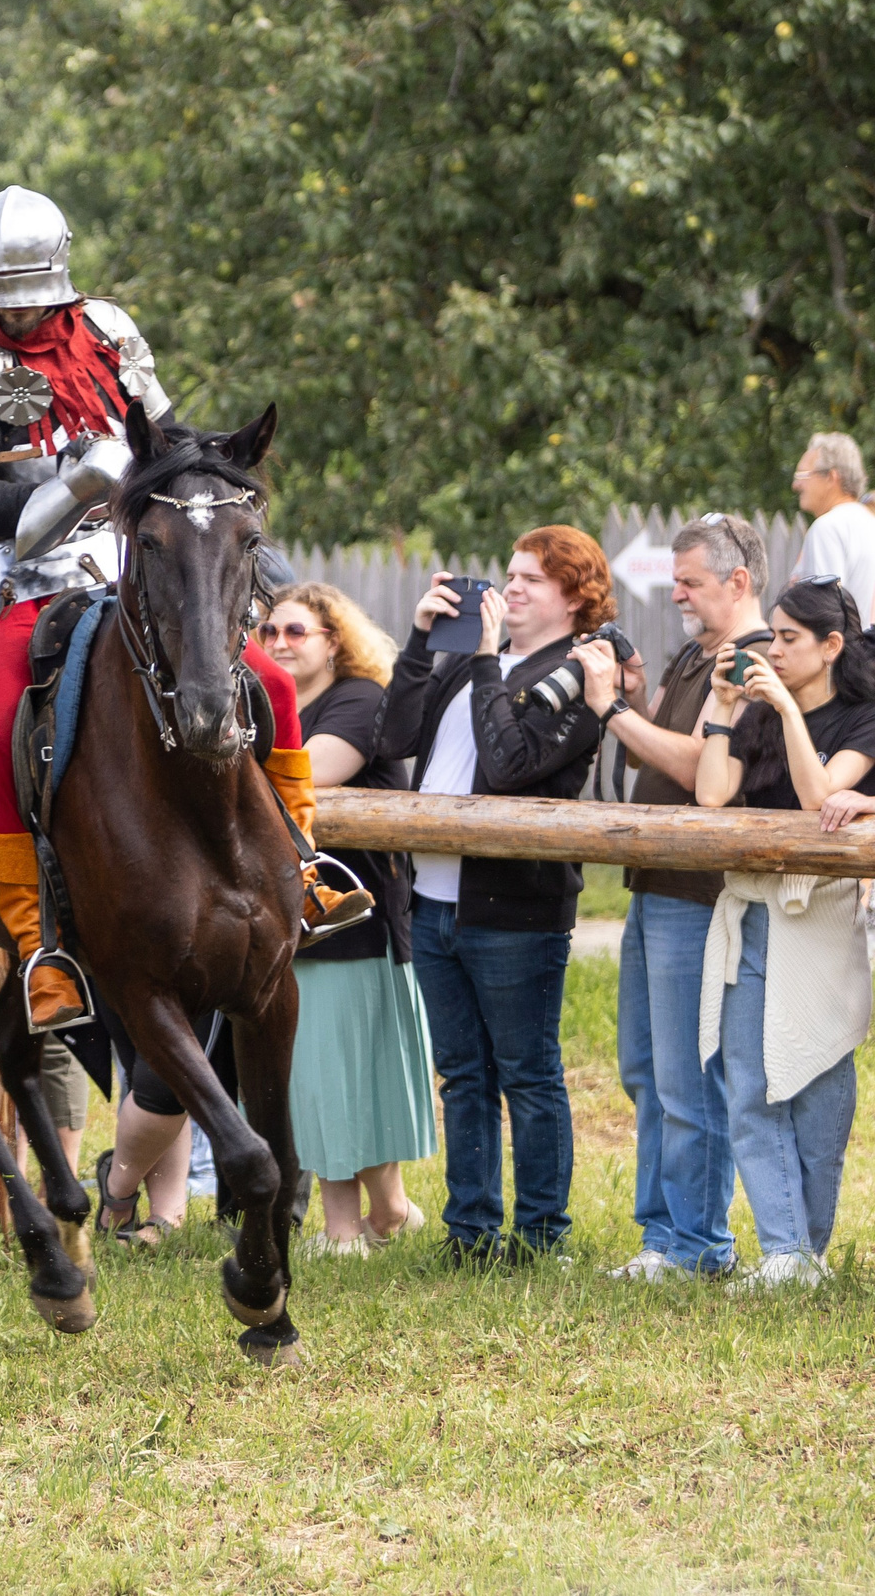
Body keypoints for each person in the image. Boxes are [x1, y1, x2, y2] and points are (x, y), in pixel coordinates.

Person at [0, 185, 362, 1037]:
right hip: (28, 573)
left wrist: (207, 474)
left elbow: (166, 435)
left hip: (139, 561)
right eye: (5, 307)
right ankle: (39, 941)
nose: (20, 320)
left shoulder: (110, 329)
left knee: (264, 675)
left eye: (34, 303)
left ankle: (299, 865)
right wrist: (70, 485)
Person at [375, 528, 611, 1265]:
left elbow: (510, 765)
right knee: (463, 1077)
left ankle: (542, 1239)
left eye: (532, 579)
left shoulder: (579, 674)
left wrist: (483, 661)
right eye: (509, 574)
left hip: (516, 913)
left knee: (528, 1075)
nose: (510, 588)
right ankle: (470, 1233)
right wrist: (419, 645)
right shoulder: (459, 666)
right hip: (433, 904)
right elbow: (392, 735)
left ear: (575, 599)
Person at [581, 513, 768, 1283]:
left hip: (701, 889)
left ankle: (697, 1244)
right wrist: (635, 697)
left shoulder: (754, 657)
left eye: (690, 581)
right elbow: (671, 739)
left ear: (739, 579)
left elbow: (700, 769)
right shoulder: (700, 652)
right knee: (646, 1067)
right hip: (656, 880)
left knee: (689, 1076)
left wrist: (612, 712)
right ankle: (663, 1235)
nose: (678, 593)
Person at [692, 578, 875, 1291]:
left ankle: (805, 1252)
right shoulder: (758, 710)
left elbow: (820, 798)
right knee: (749, 1087)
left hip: (821, 916)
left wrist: (790, 712)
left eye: (790, 638)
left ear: (832, 647)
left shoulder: (863, 717)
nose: (773, 649)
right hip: (750, 910)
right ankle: (784, 1252)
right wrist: (724, 705)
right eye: (770, 634)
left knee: (818, 1076)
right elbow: (711, 792)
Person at [262, 584, 433, 1256]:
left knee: (337, 1071)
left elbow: (317, 771)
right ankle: (388, 1211)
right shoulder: (274, 705)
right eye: (269, 630)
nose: (278, 641)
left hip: (353, 919)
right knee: (333, 1071)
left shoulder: (359, 698)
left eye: (295, 631)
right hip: (292, 916)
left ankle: (342, 1229)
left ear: (333, 639)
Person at [788, 433, 875, 621]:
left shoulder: (828, 527)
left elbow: (826, 611)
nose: (796, 485)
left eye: (803, 475)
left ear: (831, 477)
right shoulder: (869, 523)